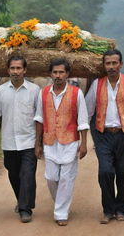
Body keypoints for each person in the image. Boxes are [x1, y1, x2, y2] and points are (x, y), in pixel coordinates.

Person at [85, 49, 124, 224]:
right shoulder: (97, 84)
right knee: (105, 171)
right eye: (108, 63)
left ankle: (121, 209)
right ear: (104, 65)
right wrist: (90, 135)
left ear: (121, 64)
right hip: (103, 135)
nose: (111, 67)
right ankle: (108, 209)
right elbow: (88, 111)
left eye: (114, 63)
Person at [34, 58, 89, 226]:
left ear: (67, 74)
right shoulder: (43, 93)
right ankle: (61, 203)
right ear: (50, 74)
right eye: (55, 72)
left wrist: (84, 143)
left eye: (61, 72)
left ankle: (61, 212)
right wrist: (37, 143)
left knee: (66, 178)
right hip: (50, 141)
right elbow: (39, 118)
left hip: (70, 141)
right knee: (51, 177)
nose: (58, 75)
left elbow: (83, 120)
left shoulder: (76, 93)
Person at [0, 56, 39, 223]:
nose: (15, 72)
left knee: (27, 174)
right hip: (9, 142)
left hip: (29, 140)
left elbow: (39, 117)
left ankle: (25, 208)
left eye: (19, 68)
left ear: (25, 70)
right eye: (12, 68)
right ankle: (22, 200)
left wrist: (38, 143)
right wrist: (4, 132)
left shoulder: (34, 90)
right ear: (8, 70)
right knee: (13, 174)